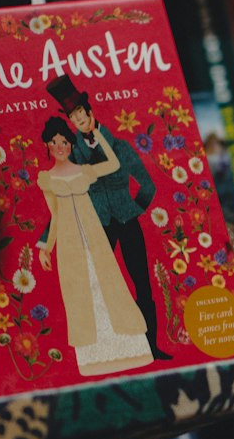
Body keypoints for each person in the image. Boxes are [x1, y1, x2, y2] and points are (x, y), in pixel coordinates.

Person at [46, 74, 170, 360]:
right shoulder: (73, 154)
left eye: (81, 114)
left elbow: (148, 186)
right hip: (98, 228)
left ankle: (151, 346)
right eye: (73, 118)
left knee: (141, 282)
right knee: (98, 286)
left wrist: (133, 209)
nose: (79, 120)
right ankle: (115, 349)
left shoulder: (121, 147)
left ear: (90, 113)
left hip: (128, 223)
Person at [36, 115, 153, 376]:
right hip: (69, 247)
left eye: (64, 141)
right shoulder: (47, 178)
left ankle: (130, 351)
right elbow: (54, 216)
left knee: (110, 286)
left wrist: (96, 134)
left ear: (70, 144)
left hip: (96, 238)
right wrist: (47, 247)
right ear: (47, 145)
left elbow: (112, 163)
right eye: (54, 142)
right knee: (78, 296)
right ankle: (94, 359)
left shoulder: (83, 170)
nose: (60, 146)